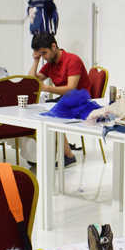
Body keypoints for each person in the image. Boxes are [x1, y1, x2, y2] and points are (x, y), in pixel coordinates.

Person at [29, 32, 88, 166]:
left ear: (54, 46)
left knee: (51, 114)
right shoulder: (51, 62)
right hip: (66, 98)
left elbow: (71, 89)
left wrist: (46, 88)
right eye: (40, 54)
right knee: (36, 111)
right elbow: (32, 81)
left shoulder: (72, 60)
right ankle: (43, 153)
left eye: (44, 53)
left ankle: (68, 155)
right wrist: (36, 60)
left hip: (80, 99)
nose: (43, 57)